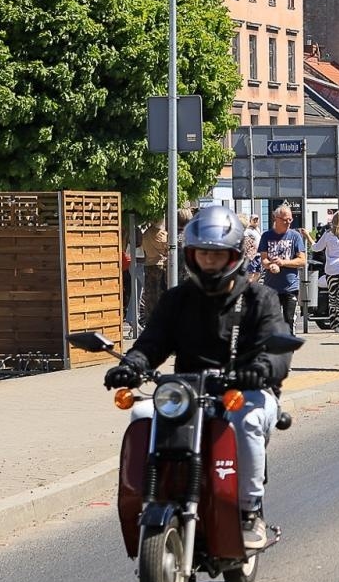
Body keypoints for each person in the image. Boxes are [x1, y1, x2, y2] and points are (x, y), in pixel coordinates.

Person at [104, 204, 291, 551]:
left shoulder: (258, 298)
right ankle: (151, 493)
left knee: (246, 420)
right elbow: (153, 341)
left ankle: (249, 511)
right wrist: (132, 364)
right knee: (142, 412)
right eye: (203, 254)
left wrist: (262, 368)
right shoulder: (178, 299)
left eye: (217, 255)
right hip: (189, 392)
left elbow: (277, 344)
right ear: (191, 255)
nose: (209, 261)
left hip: (245, 390)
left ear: (233, 255)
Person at [258, 202, 308, 331]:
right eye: (285, 220)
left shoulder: (295, 236)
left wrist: (283, 263)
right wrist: (271, 265)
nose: (288, 222)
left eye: (290, 219)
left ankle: (289, 342)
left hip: (290, 286)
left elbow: (302, 261)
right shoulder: (266, 236)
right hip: (271, 286)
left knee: (288, 320)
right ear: (276, 218)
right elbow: (264, 259)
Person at [140, 217, 169, 319]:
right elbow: (167, 249)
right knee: (161, 293)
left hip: (148, 265)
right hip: (160, 265)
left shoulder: (145, 234)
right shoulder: (162, 234)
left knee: (150, 294)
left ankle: (150, 318)